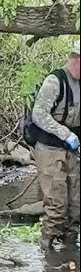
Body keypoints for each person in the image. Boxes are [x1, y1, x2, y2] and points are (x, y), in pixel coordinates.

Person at [30, 39, 81, 252]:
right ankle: (47, 255)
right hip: (50, 151)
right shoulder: (55, 81)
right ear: (76, 60)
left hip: (72, 152)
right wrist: (65, 134)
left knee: (76, 207)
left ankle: (70, 253)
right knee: (56, 206)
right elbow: (38, 114)